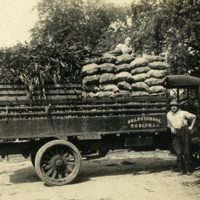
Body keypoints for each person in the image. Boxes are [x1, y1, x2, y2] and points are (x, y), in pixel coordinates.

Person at [167, 99, 196, 175]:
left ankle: (188, 169)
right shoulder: (168, 114)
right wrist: (171, 128)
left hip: (184, 131)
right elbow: (168, 124)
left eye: (175, 106)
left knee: (186, 151)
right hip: (175, 132)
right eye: (172, 106)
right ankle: (181, 169)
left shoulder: (183, 113)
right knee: (179, 152)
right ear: (170, 107)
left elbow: (194, 117)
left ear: (178, 107)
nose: (173, 107)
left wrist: (190, 127)